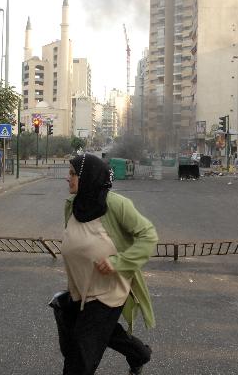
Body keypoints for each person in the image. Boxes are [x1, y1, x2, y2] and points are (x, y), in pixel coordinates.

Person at [55, 153, 156, 375]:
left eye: (73, 174)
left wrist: (118, 261)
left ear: (88, 176)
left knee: (80, 356)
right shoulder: (73, 205)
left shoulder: (116, 204)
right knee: (106, 333)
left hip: (108, 292)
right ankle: (140, 354)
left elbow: (148, 236)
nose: (67, 178)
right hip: (80, 290)